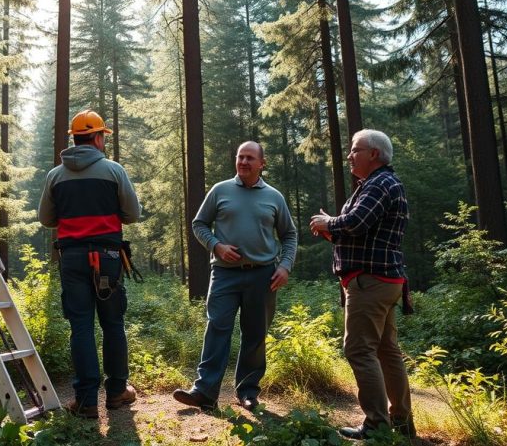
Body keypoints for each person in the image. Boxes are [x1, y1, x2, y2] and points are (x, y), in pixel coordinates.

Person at [173, 141, 297, 412]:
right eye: (240, 157)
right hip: (224, 275)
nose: (243, 162)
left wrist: (285, 265)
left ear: (262, 164)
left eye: (250, 158)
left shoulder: (274, 197)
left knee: (254, 335)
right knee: (217, 327)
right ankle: (204, 391)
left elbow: (289, 234)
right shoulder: (220, 190)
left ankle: (248, 392)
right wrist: (216, 245)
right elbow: (199, 224)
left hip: (263, 276)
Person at [309, 129, 415, 440]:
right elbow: (360, 231)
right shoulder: (376, 185)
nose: (350, 155)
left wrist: (329, 223)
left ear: (374, 154)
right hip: (382, 279)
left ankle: (377, 425)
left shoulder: (379, 183)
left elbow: (355, 223)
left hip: (371, 281)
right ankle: (401, 424)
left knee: (358, 349)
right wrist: (333, 227)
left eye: (356, 150)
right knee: (386, 351)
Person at [39, 109, 142, 419]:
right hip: (109, 259)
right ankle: (116, 393)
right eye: (102, 137)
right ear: (97, 138)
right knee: (112, 324)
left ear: (75, 139)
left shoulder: (55, 175)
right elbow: (132, 214)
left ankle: (85, 401)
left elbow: (47, 220)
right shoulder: (113, 171)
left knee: (81, 328)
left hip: (71, 259)